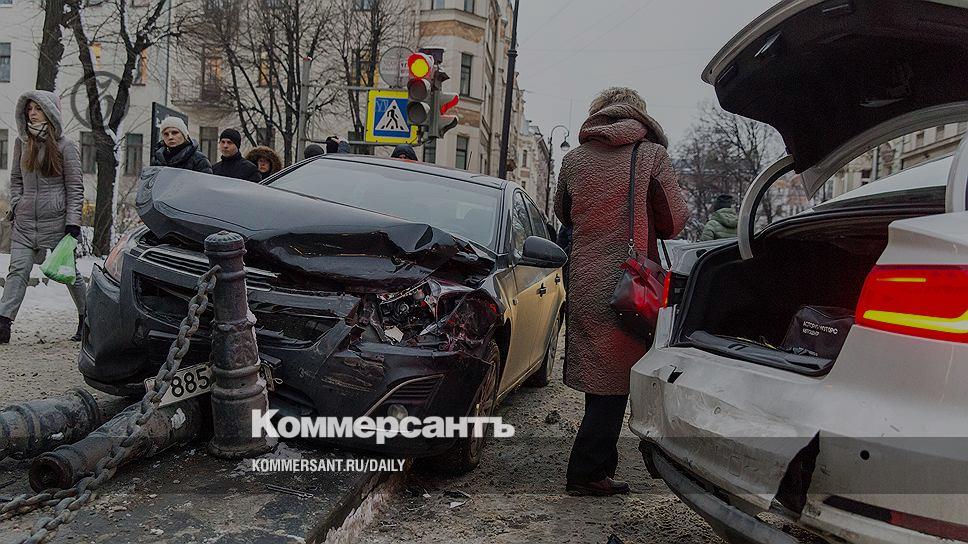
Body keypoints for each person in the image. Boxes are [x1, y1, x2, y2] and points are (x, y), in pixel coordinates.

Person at [554, 87, 690, 496]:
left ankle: (598, 465)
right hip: (630, 281)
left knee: (603, 378)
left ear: (599, 113)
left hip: (584, 278)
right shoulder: (651, 156)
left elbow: (564, 213)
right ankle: (586, 472)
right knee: (614, 382)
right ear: (639, 115)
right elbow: (675, 221)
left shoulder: (574, 159)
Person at [0, 91, 87, 344]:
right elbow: (16, 179)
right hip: (25, 222)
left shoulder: (66, 146)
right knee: (17, 271)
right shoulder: (22, 143)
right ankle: (3, 322)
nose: (32, 113)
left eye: (38, 108)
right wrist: (17, 203)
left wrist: (73, 223)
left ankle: (87, 318)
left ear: (50, 112)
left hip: (57, 222)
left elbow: (75, 187)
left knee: (70, 273)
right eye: (29, 109)